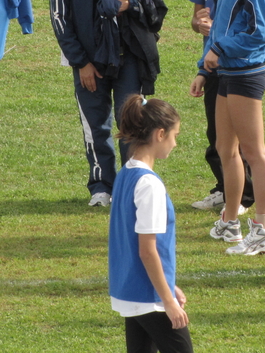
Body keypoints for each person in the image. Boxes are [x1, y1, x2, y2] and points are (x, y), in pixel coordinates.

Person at [49, 0, 167, 207]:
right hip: (90, 63)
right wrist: (82, 63)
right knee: (96, 124)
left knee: (132, 122)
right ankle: (101, 187)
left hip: (128, 58)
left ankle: (133, 186)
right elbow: (59, 19)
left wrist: (126, 4)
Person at [191, 0, 265, 255]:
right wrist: (204, 67)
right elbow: (221, 28)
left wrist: (219, 49)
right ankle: (231, 221)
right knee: (227, 151)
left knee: (253, 152)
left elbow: (258, 37)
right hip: (225, 72)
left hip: (246, 73)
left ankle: (264, 228)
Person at [108, 95, 193, 352]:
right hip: (149, 297)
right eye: (174, 135)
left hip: (131, 290)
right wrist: (167, 300)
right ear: (159, 134)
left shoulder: (125, 174)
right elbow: (147, 249)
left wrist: (167, 284)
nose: (175, 143)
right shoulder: (150, 185)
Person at [188, 0, 255, 214]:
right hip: (213, 64)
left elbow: (254, 31)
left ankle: (244, 196)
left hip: (237, 66)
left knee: (241, 140)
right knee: (216, 136)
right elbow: (197, 19)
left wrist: (218, 39)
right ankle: (225, 189)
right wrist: (199, 25)